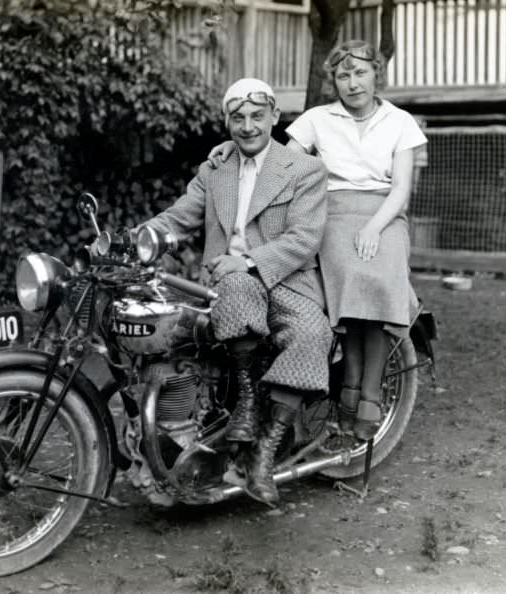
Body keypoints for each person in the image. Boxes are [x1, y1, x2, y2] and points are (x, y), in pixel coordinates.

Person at [209, 40, 428, 442]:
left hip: (384, 213)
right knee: (346, 282)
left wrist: (374, 227)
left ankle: (370, 394)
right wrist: (235, 146)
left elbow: (400, 190)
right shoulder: (317, 119)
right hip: (331, 212)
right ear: (334, 82)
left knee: (379, 278)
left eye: (360, 73)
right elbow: (277, 161)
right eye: (343, 75)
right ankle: (347, 391)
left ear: (376, 74)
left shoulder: (400, 122)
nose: (353, 83)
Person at [141, 78, 332, 506]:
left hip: (287, 281)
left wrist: (247, 260)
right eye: (238, 118)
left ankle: (264, 450)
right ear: (227, 122)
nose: (248, 127)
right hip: (228, 285)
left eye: (257, 117)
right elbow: (178, 218)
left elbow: (304, 238)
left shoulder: (305, 170)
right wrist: (132, 240)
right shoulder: (215, 170)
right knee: (231, 291)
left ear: (274, 118)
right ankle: (245, 403)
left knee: (312, 334)